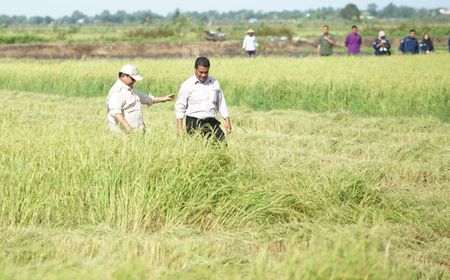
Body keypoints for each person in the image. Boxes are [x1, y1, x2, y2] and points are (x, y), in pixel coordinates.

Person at [175, 57, 232, 142]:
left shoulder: (214, 82)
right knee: (197, 148)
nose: (203, 75)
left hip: (211, 121)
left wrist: (227, 120)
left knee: (222, 145)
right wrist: (180, 128)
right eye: (201, 72)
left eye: (206, 72)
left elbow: (221, 103)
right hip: (193, 122)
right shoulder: (187, 85)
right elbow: (180, 107)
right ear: (195, 69)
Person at [106, 64, 174, 134]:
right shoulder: (117, 92)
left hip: (135, 132)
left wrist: (163, 99)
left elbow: (145, 98)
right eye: (132, 79)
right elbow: (116, 113)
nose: (134, 81)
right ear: (123, 76)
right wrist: (129, 129)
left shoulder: (131, 89)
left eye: (135, 79)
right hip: (123, 134)